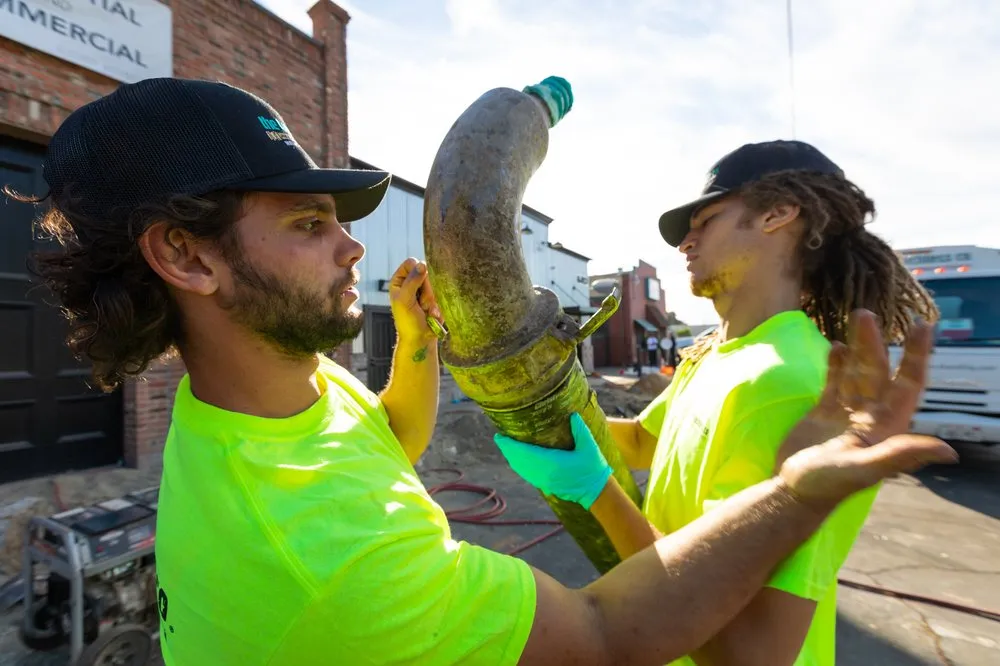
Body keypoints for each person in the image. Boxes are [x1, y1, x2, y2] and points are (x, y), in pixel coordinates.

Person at [8, 80, 954, 666]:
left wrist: (420, 349)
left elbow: (388, 438)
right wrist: (791, 494)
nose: (350, 248)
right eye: (307, 224)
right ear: (189, 258)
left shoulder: (273, 400)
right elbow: (610, 639)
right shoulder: (338, 564)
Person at [496, 140, 941, 666]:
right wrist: (536, 407)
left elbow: (741, 648)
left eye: (706, 218)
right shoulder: (714, 354)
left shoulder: (795, 383)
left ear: (778, 214)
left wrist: (597, 492)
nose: (686, 241)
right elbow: (643, 439)